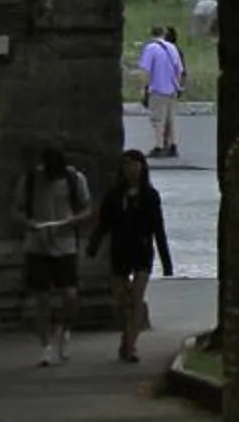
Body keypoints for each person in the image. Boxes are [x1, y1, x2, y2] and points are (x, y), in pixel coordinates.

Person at [85, 148, 175, 365]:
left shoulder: (151, 196)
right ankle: (127, 336)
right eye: (127, 164)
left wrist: (166, 261)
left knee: (136, 298)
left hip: (142, 250)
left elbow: (158, 228)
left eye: (135, 164)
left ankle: (132, 345)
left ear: (142, 168)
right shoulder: (115, 196)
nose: (131, 169)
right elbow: (103, 223)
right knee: (122, 301)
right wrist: (93, 246)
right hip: (120, 250)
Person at [14, 147, 93, 368]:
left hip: (65, 244)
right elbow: (17, 211)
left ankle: (65, 329)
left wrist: (70, 222)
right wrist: (29, 224)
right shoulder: (29, 181)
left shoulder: (74, 179)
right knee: (42, 298)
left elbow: (87, 209)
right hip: (37, 245)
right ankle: (45, 346)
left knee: (70, 294)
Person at [139, 26, 187, 158]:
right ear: (163, 34)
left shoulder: (150, 48)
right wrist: (177, 86)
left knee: (157, 119)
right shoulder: (172, 48)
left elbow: (145, 70)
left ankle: (159, 146)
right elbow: (180, 69)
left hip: (158, 88)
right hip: (172, 88)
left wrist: (144, 88)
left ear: (151, 34)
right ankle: (172, 145)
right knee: (170, 119)